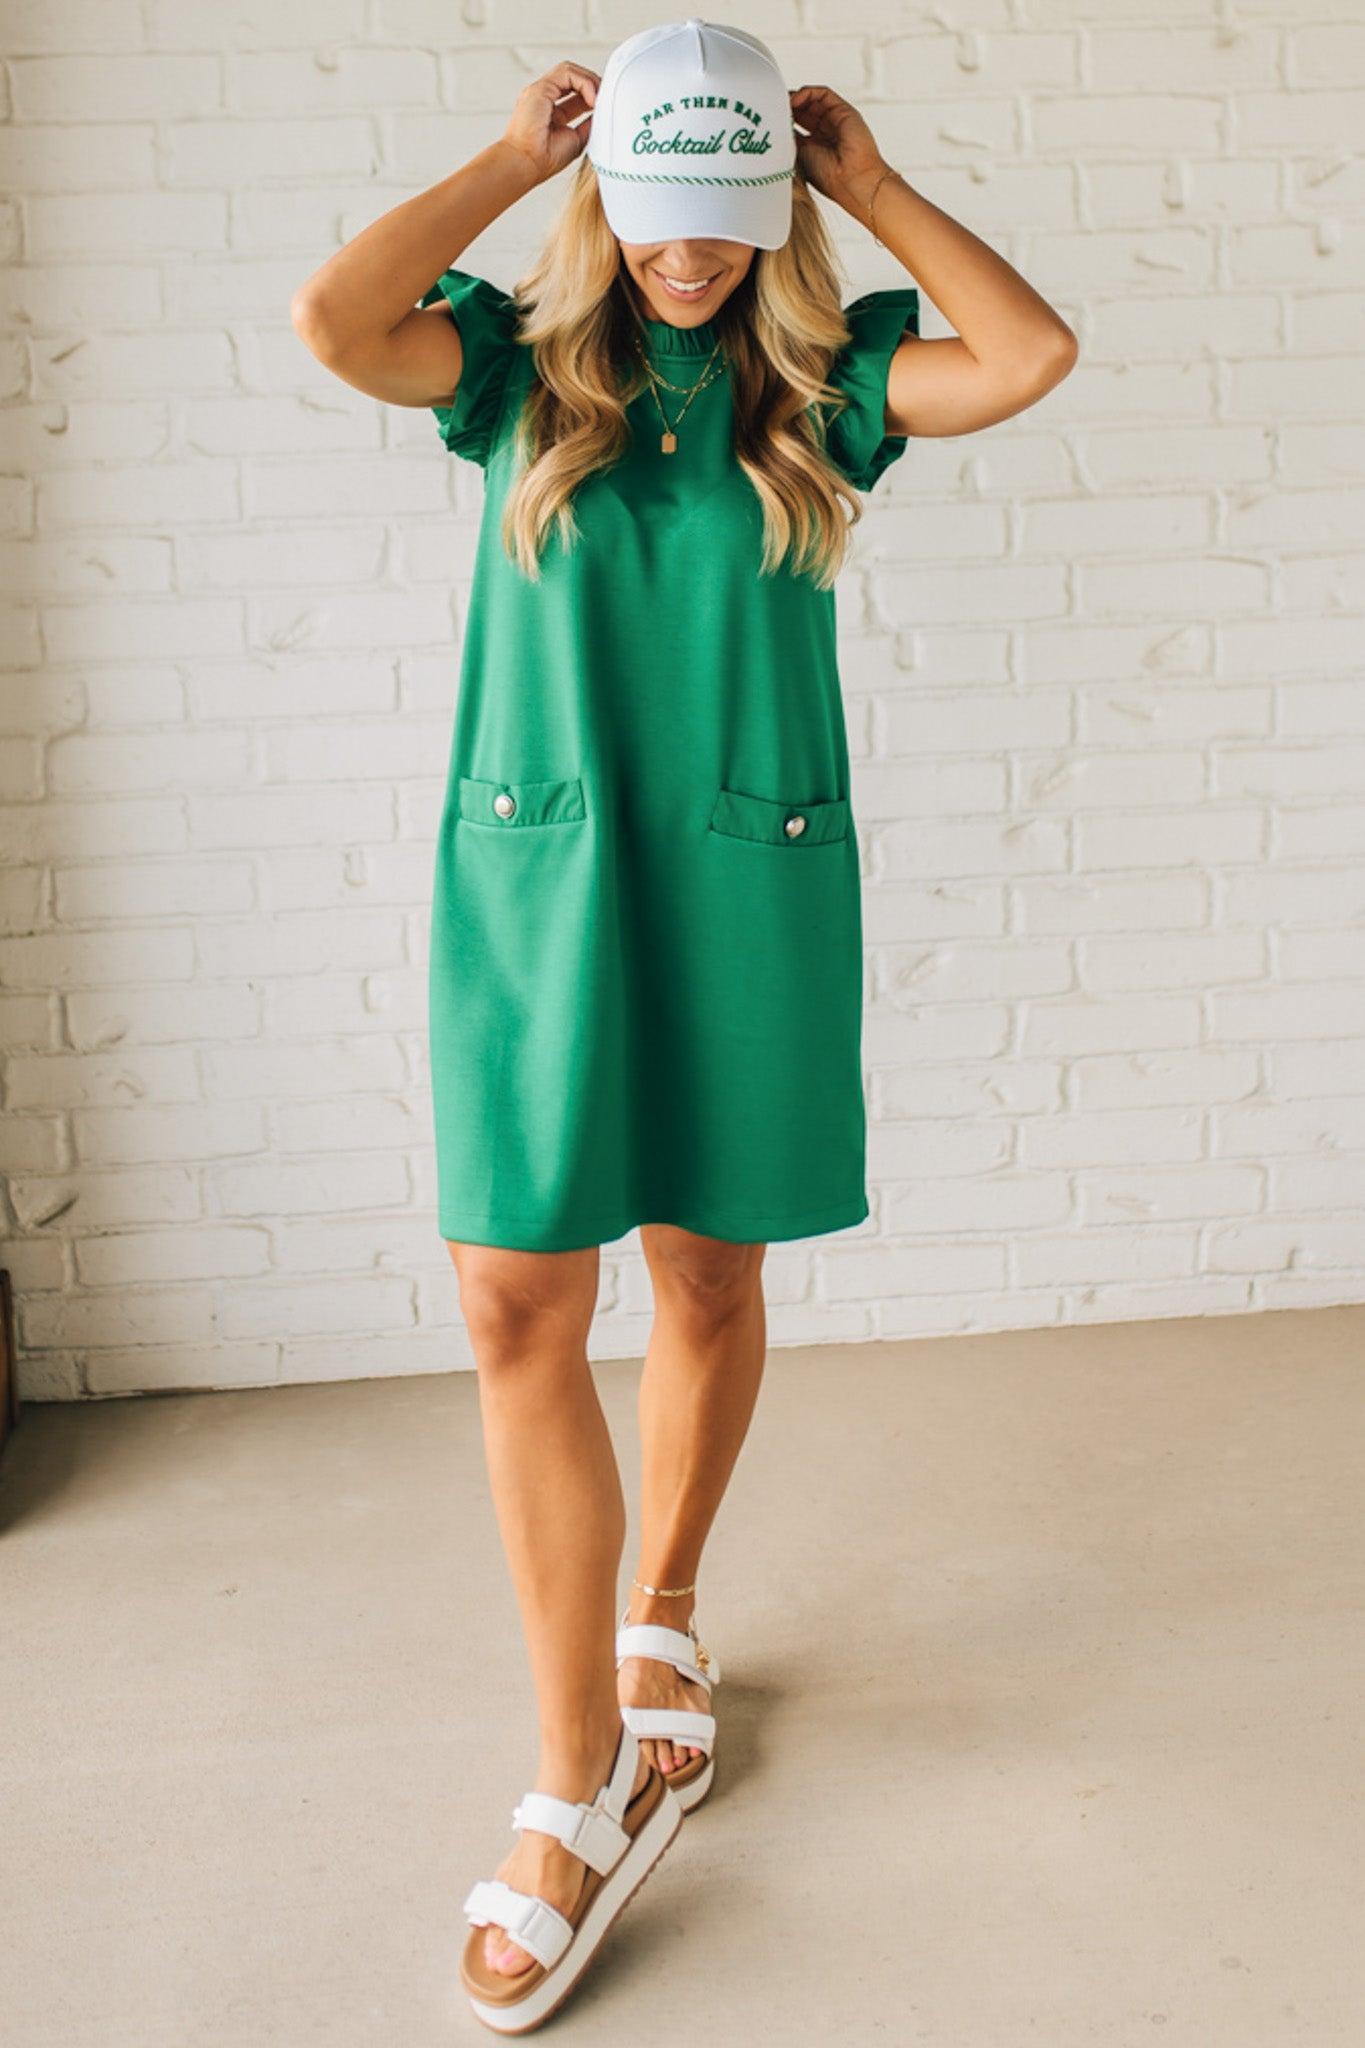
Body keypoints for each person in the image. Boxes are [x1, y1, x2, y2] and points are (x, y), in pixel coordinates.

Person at [292, 16, 1077, 2032]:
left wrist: (866, 184)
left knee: (703, 1279)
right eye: (656, 211)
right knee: (509, 1306)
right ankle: (572, 1792)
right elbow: (328, 312)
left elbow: (1030, 355)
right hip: (534, 877)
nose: (686, 255)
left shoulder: (818, 387)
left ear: (766, 209)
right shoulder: (507, 368)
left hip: (740, 871)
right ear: (608, 196)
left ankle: (665, 1616)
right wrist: (505, 159)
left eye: (724, 215)